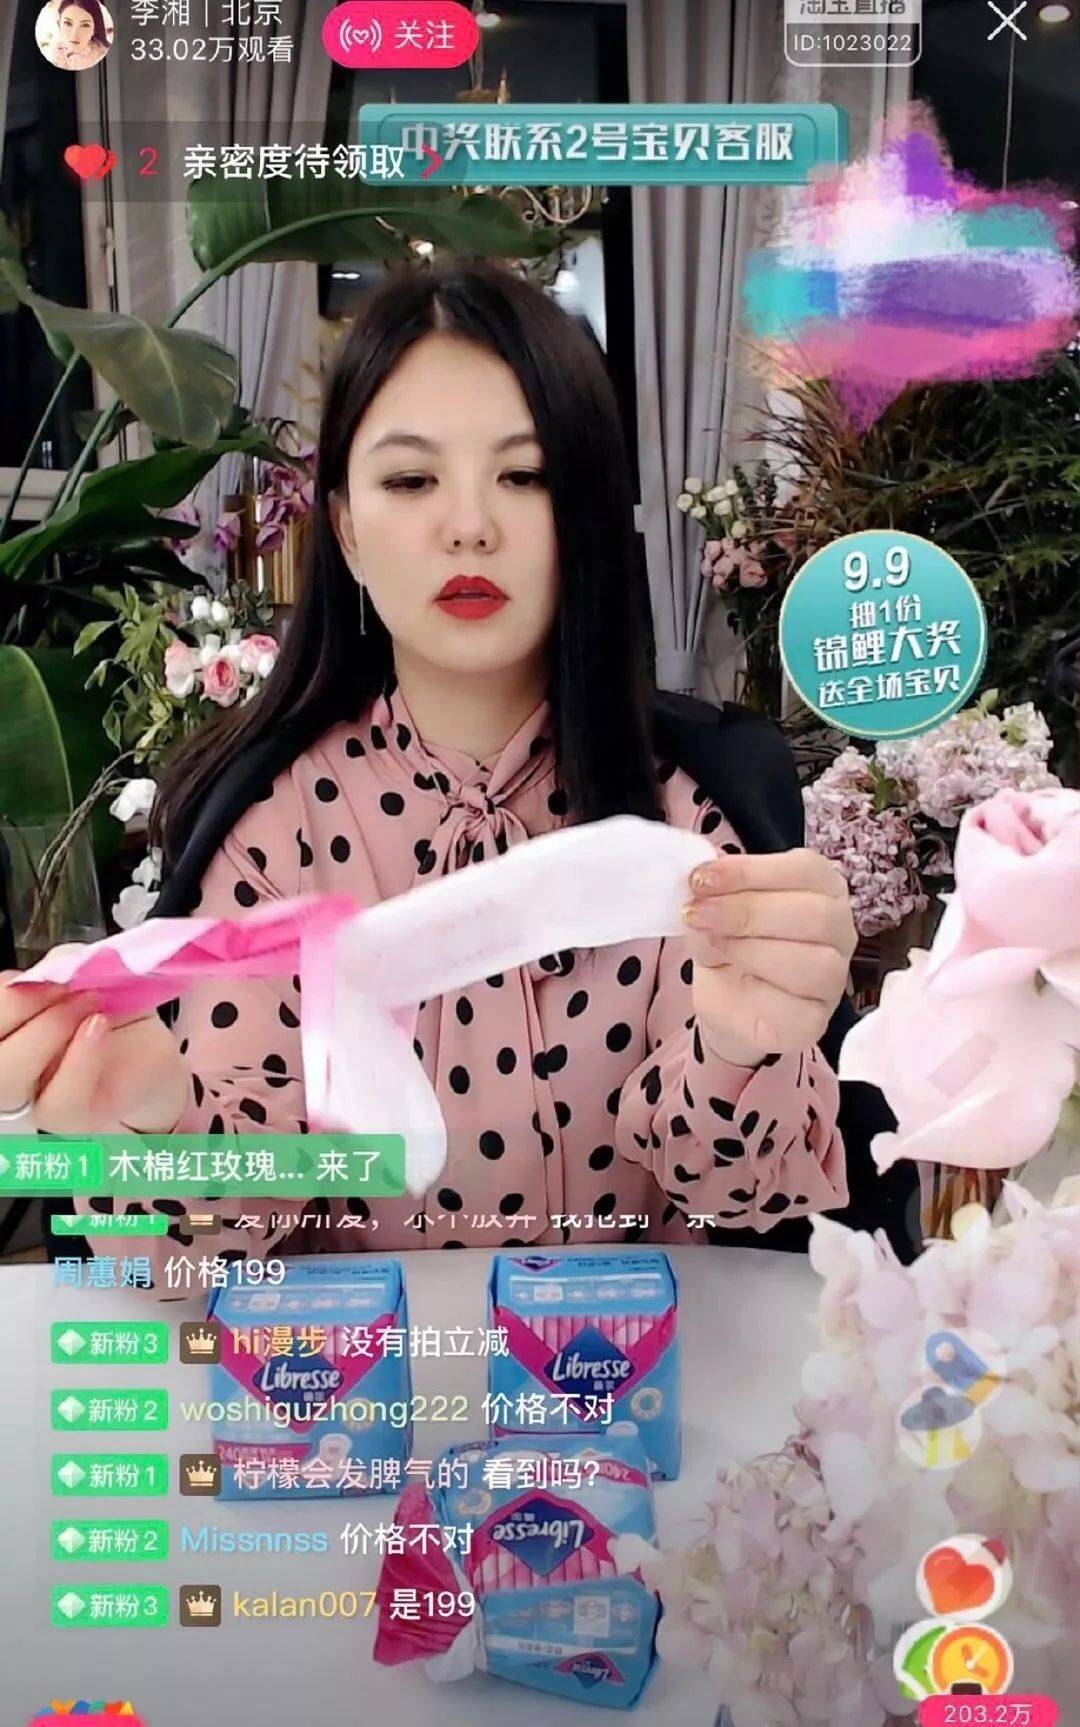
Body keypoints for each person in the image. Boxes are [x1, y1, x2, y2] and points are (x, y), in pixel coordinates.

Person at [0, 260, 858, 1281]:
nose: (469, 525)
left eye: (525, 476)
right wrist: (155, 1119)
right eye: (411, 480)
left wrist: (745, 1046)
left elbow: (734, 1195)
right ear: (347, 529)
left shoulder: (684, 815)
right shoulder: (272, 827)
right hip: (363, 1373)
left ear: (585, 515)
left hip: (643, 1365)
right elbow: (212, 1245)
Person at [37, 0, 111, 71]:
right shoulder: (55, 53)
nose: (74, 34)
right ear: (59, 24)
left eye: (85, 25)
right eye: (67, 23)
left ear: (94, 29)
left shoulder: (102, 56)